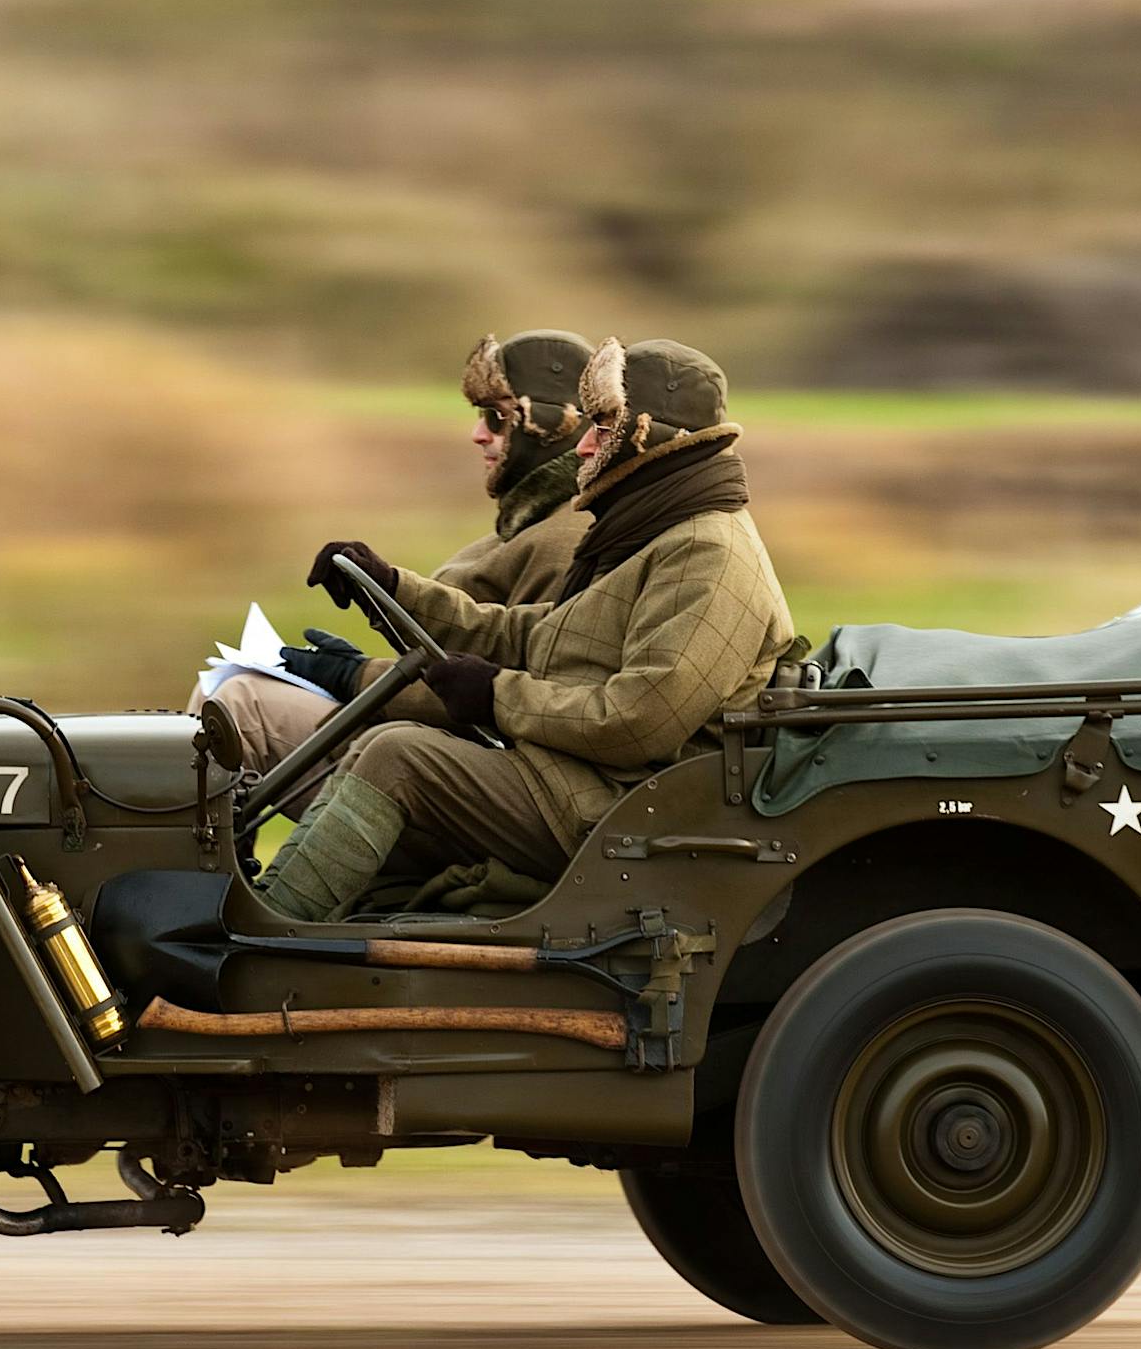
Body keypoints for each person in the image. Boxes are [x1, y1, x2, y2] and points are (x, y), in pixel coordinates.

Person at [260, 336, 797, 921]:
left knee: (397, 757)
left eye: (603, 427)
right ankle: (278, 913)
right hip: (587, 783)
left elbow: (639, 721)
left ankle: (267, 926)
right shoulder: (660, 535)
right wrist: (392, 589)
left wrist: (496, 696)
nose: (584, 443)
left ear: (652, 437)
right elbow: (532, 635)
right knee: (380, 744)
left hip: (625, 811)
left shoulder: (707, 554)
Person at [192, 331, 594, 798]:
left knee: (236, 704)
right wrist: (378, 612)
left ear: (551, 424)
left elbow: (511, 697)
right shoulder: (531, 523)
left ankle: (183, 846)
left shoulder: (565, 539)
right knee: (225, 692)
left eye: (497, 417)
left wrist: (356, 677)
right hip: (434, 745)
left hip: (463, 772)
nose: (478, 434)